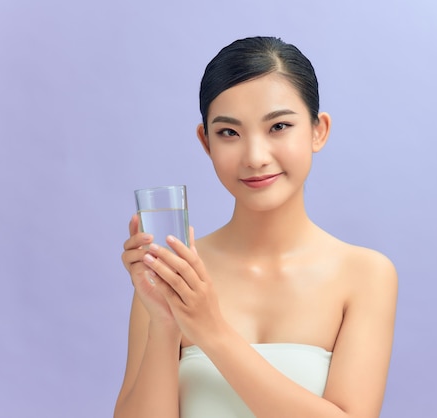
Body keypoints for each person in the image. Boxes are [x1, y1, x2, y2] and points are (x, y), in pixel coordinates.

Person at [114, 36, 398, 418]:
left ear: (318, 130)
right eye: (229, 132)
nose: (255, 157)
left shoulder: (365, 275)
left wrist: (210, 330)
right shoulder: (173, 274)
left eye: (278, 126)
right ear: (206, 141)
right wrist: (165, 322)